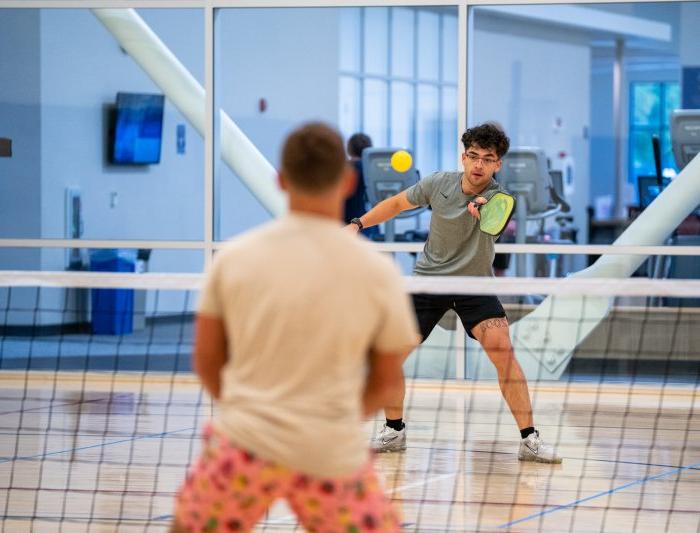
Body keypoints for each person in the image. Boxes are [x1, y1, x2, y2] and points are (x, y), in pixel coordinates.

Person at [171, 123, 420, 532]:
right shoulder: (377, 271)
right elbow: (387, 379)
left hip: (245, 443)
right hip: (331, 448)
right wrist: (335, 419)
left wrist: (252, 411)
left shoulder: (234, 259)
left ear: (281, 180)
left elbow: (207, 360)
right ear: (347, 180)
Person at [347, 123, 561, 464]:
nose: (478, 164)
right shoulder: (438, 183)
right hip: (429, 282)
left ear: (497, 165)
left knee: (503, 350)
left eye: (487, 159)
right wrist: (358, 224)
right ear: (463, 157)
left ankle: (529, 439)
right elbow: (398, 204)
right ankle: (394, 430)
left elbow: (494, 223)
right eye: (473, 156)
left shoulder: (499, 198)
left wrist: (482, 211)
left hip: (474, 286)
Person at [344, 132, 378, 238]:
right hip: (368, 224)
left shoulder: (342, 169)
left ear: (349, 149)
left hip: (344, 223)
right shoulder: (374, 170)